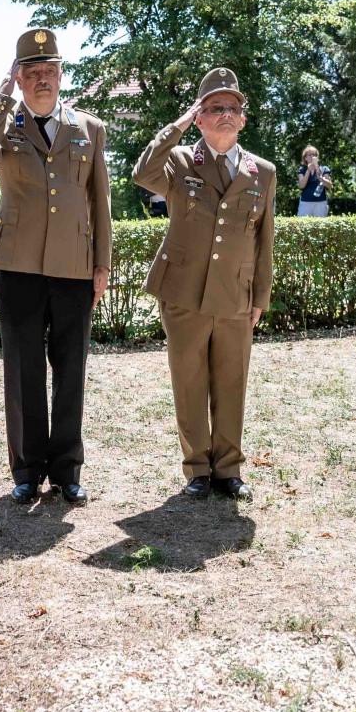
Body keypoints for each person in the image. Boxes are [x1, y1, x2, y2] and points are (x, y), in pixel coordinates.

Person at [0, 28, 112, 504]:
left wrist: (102, 263)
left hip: (74, 265)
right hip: (18, 265)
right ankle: (27, 470)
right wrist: (2, 95)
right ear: (20, 78)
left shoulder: (88, 128)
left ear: (61, 76)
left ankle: (67, 470)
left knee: (71, 370)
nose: (43, 79)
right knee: (23, 369)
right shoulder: (5, 124)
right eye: (32, 73)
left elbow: (100, 201)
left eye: (50, 71)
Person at [132, 68, 276, 502]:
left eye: (233, 107)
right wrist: (177, 125)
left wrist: (260, 297)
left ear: (243, 120)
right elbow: (143, 172)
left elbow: (264, 241)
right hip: (184, 292)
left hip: (235, 293)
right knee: (189, 381)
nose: (225, 114)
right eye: (215, 108)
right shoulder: (178, 162)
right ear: (199, 117)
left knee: (232, 382)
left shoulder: (262, 172)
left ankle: (228, 469)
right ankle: (197, 467)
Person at [297, 145, 332, 217]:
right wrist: (308, 171)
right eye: (309, 155)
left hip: (321, 202)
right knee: (302, 223)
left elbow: (330, 185)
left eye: (314, 155)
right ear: (305, 158)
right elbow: (301, 186)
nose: (312, 157)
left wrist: (319, 174)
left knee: (320, 223)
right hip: (305, 202)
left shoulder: (324, 169)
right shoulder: (302, 169)